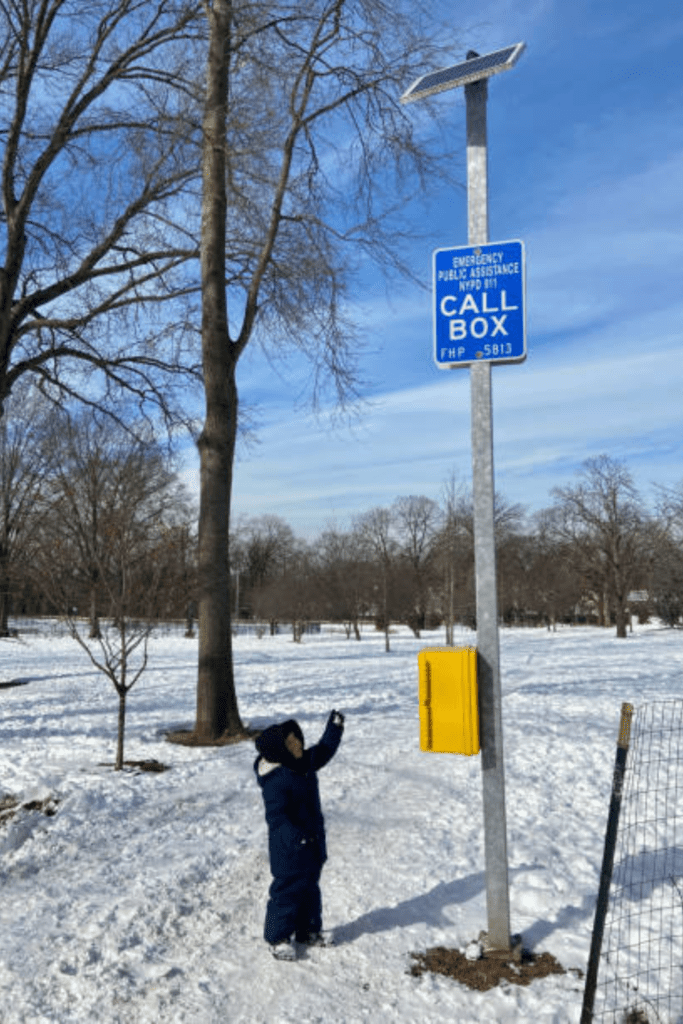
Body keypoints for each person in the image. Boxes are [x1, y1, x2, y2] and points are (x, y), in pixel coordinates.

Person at [253, 709, 345, 960]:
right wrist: (295, 837)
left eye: (298, 739)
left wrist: (334, 728)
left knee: (310, 890)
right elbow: (278, 817)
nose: (299, 745)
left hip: (312, 842)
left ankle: (308, 931)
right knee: (286, 893)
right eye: (291, 743)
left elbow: (324, 751)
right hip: (289, 848)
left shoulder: (301, 761)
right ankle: (277, 938)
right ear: (279, 751)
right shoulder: (275, 781)